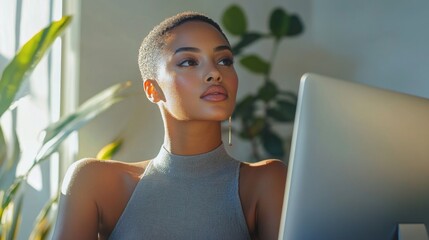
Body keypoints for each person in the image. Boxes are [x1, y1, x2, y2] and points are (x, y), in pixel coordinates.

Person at [52, 11, 287, 240]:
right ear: (153, 90)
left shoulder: (267, 181)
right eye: (188, 62)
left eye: (224, 60)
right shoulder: (94, 181)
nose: (214, 73)